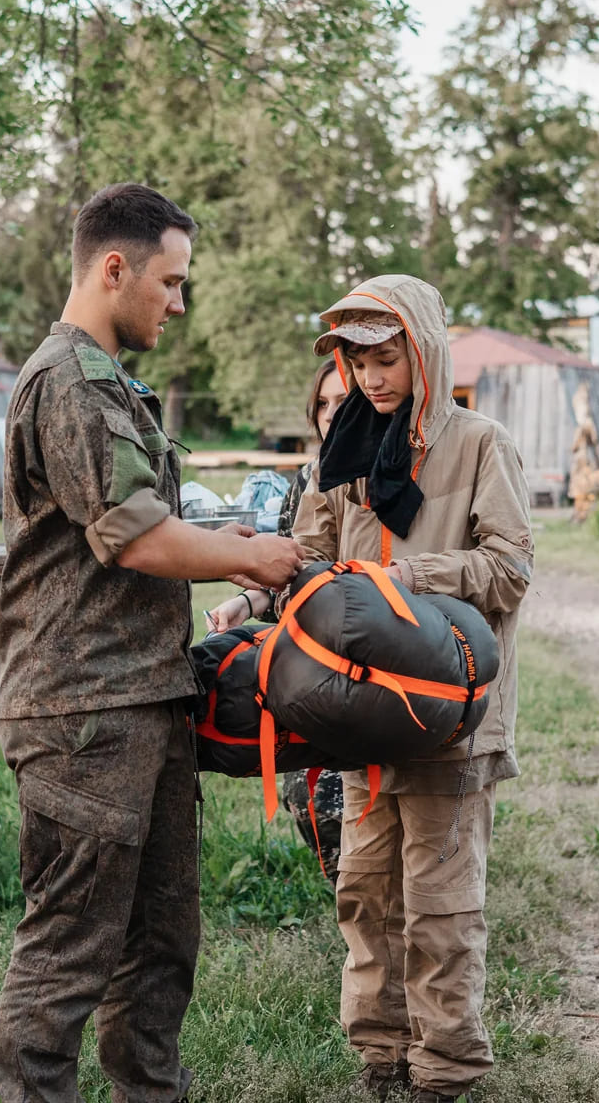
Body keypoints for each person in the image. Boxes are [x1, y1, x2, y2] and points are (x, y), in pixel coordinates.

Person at [0, 182, 306, 1103]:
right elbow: (135, 539)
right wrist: (261, 558)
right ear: (114, 267)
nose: (178, 302)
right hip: (84, 711)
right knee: (68, 957)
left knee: (161, 949)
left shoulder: (110, 384)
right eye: (170, 282)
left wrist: (233, 547)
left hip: (144, 699)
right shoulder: (70, 383)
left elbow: (155, 528)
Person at [294, 274, 534, 1103]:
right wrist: (259, 594)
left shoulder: (477, 443)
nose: (373, 379)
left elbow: (511, 567)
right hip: (363, 715)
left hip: (446, 713)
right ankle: (381, 1058)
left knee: (437, 906)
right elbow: (311, 554)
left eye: (388, 358)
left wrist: (404, 581)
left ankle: (445, 1071)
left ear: (424, 352)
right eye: (358, 365)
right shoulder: (343, 451)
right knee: (363, 892)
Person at [206, 358, 349, 881]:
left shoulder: (388, 477)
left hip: (365, 655)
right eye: (323, 405)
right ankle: (351, 903)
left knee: (344, 801)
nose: (331, 415)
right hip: (308, 658)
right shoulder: (307, 480)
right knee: (308, 799)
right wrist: (242, 605)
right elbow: (285, 575)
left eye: (343, 401)